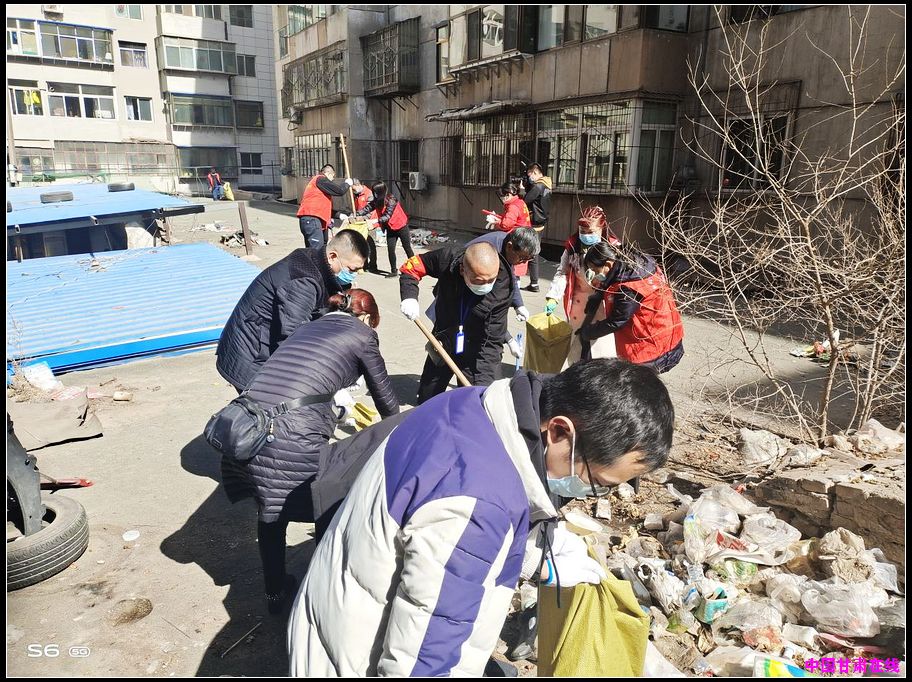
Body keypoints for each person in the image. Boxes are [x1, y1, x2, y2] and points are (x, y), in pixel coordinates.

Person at [288, 358, 675, 676]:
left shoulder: (475, 406)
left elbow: (436, 525)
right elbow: (422, 660)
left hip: (333, 612)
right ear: (560, 432)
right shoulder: (479, 504)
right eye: (599, 483)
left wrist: (532, 549)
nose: (594, 495)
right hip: (351, 659)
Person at [220, 289, 400, 615]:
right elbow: (386, 401)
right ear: (364, 318)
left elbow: (298, 375)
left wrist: (332, 401)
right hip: (291, 433)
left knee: (271, 510)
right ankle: (322, 596)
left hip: (247, 425)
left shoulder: (308, 327)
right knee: (326, 506)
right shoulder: (362, 336)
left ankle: (275, 592)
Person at [216, 229, 370, 393]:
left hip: (261, 342)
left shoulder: (314, 261)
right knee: (268, 405)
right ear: (333, 256)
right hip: (251, 354)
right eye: (351, 270)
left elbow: (317, 312)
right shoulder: (303, 282)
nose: (353, 275)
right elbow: (294, 337)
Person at [399, 242, 515, 404]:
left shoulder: (503, 286)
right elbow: (411, 267)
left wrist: (483, 387)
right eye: (479, 280)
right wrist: (409, 296)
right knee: (428, 398)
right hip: (444, 337)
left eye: (491, 280)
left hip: (477, 345)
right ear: (462, 270)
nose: (487, 285)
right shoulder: (448, 259)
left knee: (479, 400)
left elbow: (491, 342)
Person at [580, 241, 685, 373]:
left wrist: (588, 332)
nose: (595, 275)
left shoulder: (629, 288)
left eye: (595, 270)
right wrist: (599, 295)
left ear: (608, 264)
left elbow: (616, 321)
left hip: (651, 346)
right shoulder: (634, 264)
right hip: (666, 332)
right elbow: (613, 277)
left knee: (637, 382)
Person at [544, 205, 622, 368]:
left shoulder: (613, 248)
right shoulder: (573, 247)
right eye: (582, 231)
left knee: (602, 352)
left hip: (603, 305)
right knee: (575, 350)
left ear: (602, 228)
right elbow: (562, 272)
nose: (586, 236)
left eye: (591, 232)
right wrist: (553, 296)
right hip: (578, 305)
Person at [467, 227, 541, 360]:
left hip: (476, 314)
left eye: (528, 260)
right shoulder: (489, 257)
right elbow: (487, 309)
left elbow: (511, 277)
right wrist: (509, 339)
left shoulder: (507, 248)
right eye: (522, 258)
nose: (523, 263)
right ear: (510, 247)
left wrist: (519, 305)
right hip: (460, 306)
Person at [356, 180, 413, 277]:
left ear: (380, 192)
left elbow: (387, 216)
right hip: (390, 228)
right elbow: (368, 208)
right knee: (391, 250)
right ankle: (394, 271)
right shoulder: (377, 201)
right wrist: (357, 214)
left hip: (401, 226)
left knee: (407, 248)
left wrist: (375, 221)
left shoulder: (391, 200)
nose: (374, 194)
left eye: (375, 192)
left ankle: (415, 267)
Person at [296, 164, 353, 249]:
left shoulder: (319, 189)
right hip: (312, 218)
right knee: (317, 249)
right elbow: (339, 190)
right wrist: (347, 184)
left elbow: (322, 207)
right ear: (329, 174)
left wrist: (339, 215)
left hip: (314, 219)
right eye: (332, 177)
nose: (332, 180)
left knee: (322, 247)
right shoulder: (320, 179)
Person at [522, 163, 552, 292]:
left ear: (535, 173)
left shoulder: (538, 186)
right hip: (541, 222)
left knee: (532, 253)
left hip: (534, 222)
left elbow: (525, 201)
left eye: (530, 175)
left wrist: (522, 190)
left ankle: (534, 284)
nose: (530, 178)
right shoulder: (546, 184)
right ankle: (533, 283)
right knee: (533, 251)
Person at [344, 179, 379, 273]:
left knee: (370, 244)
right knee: (362, 244)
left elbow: (370, 211)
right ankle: (364, 264)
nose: (353, 191)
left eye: (353, 189)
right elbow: (357, 209)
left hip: (369, 222)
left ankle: (373, 265)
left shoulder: (369, 194)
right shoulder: (357, 195)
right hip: (360, 223)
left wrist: (361, 218)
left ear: (358, 185)